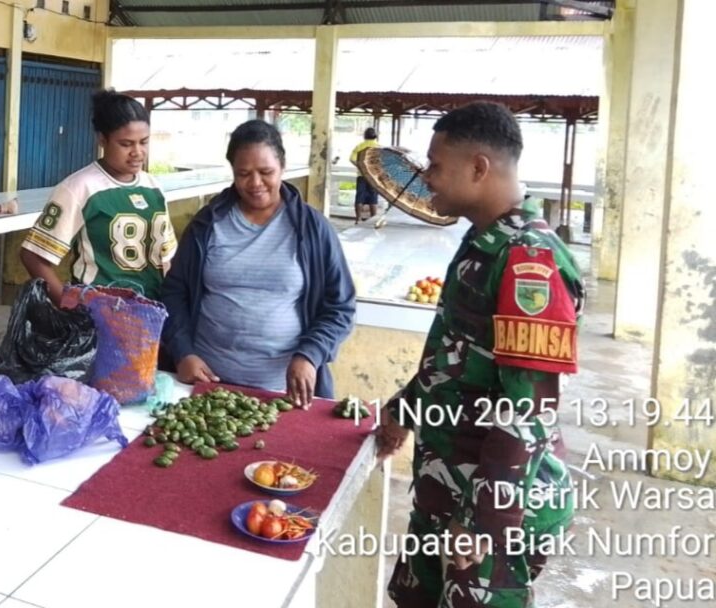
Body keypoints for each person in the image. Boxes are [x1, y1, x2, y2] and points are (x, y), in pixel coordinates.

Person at [375, 102, 585, 608]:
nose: (428, 179)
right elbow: (459, 354)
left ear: (478, 167)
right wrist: (405, 408)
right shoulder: (484, 241)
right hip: (448, 485)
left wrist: (482, 523)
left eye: (436, 165)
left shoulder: (528, 261)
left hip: (490, 511)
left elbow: (527, 409)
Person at [160, 120, 355, 408]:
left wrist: (310, 354)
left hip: (284, 394)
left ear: (283, 167)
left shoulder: (313, 230)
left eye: (266, 172)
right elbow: (174, 292)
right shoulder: (207, 225)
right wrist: (183, 352)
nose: (255, 184)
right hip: (209, 386)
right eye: (243, 174)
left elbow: (340, 306)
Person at [20, 90, 177, 303]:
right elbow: (33, 256)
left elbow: (166, 258)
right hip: (100, 316)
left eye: (144, 142)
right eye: (126, 144)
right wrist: (71, 307)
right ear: (102, 139)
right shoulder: (78, 188)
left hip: (150, 314)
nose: (137, 152)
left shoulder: (154, 187)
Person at [350, 127, 380, 221]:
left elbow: (352, 159)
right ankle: (373, 218)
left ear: (364, 136)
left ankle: (358, 219)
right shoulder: (379, 147)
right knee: (373, 197)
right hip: (374, 177)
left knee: (359, 197)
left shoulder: (359, 146)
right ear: (376, 136)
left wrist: (362, 168)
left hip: (361, 176)